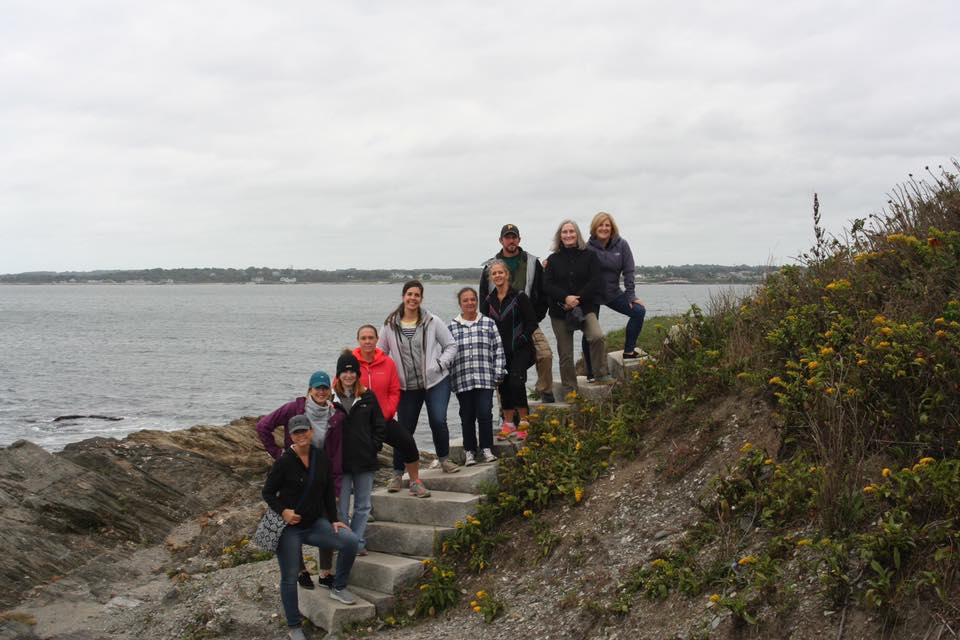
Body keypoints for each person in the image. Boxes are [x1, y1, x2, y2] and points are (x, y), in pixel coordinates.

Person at [261, 415, 359, 640]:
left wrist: (334, 519)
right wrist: (284, 511)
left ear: (311, 432)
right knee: (289, 577)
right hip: (289, 529)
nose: (301, 435)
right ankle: (294, 626)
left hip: (315, 523)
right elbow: (267, 493)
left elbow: (326, 492)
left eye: (304, 430)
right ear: (290, 436)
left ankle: (338, 586)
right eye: (296, 432)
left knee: (351, 541)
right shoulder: (284, 461)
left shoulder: (320, 458)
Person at [255, 371, 342, 590]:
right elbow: (263, 426)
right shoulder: (293, 408)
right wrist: (279, 454)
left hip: (319, 472)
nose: (321, 392)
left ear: (330, 392)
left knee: (324, 520)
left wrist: (336, 479)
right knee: (295, 521)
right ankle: (302, 571)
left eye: (325, 388)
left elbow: (337, 448)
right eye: (317, 388)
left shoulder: (335, 415)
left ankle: (325, 573)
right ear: (310, 390)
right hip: (293, 473)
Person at [378, 280, 460, 473]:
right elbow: (380, 353)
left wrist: (439, 364)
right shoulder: (390, 325)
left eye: (417, 295)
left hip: (435, 382)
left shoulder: (432, 321)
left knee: (438, 421)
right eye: (409, 294)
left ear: (421, 299)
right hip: (406, 387)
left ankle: (444, 460)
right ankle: (398, 473)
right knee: (404, 432)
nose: (413, 298)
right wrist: (386, 377)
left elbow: (451, 345)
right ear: (403, 297)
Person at [479, 224, 555, 402]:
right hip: (499, 327)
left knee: (545, 355)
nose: (511, 240)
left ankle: (544, 390)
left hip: (528, 323)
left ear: (519, 240)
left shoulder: (532, 262)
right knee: (500, 365)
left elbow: (542, 293)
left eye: (514, 237)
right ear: (501, 240)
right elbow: (483, 299)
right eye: (507, 237)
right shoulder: (490, 266)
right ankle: (505, 410)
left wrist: (533, 319)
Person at [353, 325, 431, 497]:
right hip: (359, 423)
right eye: (363, 338)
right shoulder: (351, 363)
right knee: (365, 458)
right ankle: (364, 500)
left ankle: (414, 482)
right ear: (358, 340)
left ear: (376, 340)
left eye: (371, 338)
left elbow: (394, 391)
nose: (367, 341)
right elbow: (340, 389)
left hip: (383, 419)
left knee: (407, 442)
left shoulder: (387, 362)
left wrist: (386, 413)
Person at [543, 219, 611, 393]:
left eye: (571, 231)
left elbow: (595, 281)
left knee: (596, 336)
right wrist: (565, 298)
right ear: (560, 236)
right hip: (560, 311)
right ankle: (570, 389)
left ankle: (600, 374)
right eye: (564, 232)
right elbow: (548, 285)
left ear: (577, 234)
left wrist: (576, 300)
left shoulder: (589, 255)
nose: (568, 235)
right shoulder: (553, 259)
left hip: (585, 308)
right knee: (566, 353)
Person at [332, 352, 386, 556]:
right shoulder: (330, 398)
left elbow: (379, 425)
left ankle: (358, 541)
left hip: (365, 460)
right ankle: (349, 543)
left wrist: (374, 446)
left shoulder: (368, 396)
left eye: (352, 371)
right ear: (338, 374)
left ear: (357, 373)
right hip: (340, 462)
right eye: (344, 371)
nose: (348, 375)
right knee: (342, 508)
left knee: (363, 505)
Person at [582, 211, 646, 380]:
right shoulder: (586, 247)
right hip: (591, 295)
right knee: (590, 332)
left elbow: (629, 271)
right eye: (600, 225)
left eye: (607, 225)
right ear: (594, 228)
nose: (604, 228)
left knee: (639, 312)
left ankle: (629, 351)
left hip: (612, 293)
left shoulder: (622, 245)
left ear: (612, 228)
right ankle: (590, 371)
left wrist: (631, 295)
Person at [481, 260, 538, 439]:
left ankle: (524, 421)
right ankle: (508, 424)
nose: (497, 276)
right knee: (504, 385)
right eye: (494, 273)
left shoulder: (519, 296)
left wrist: (522, 339)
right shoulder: (488, 301)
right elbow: (483, 325)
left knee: (516, 382)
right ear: (491, 277)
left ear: (507, 275)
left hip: (521, 349)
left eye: (500, 272)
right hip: (498, 352)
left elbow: (532, 323)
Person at [448, 287, 505, 464]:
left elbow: (498, 350)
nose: (470, 303)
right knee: (466, 416)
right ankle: (469, 451)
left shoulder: (488, 323)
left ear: (477, 301)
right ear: (460, 304)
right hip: (462, 379)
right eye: (465, 300)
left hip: (485, 378)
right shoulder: (451, 327)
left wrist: (498, 373)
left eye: (473, 299)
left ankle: (487, 449)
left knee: (485, 414)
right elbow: (446, 354)